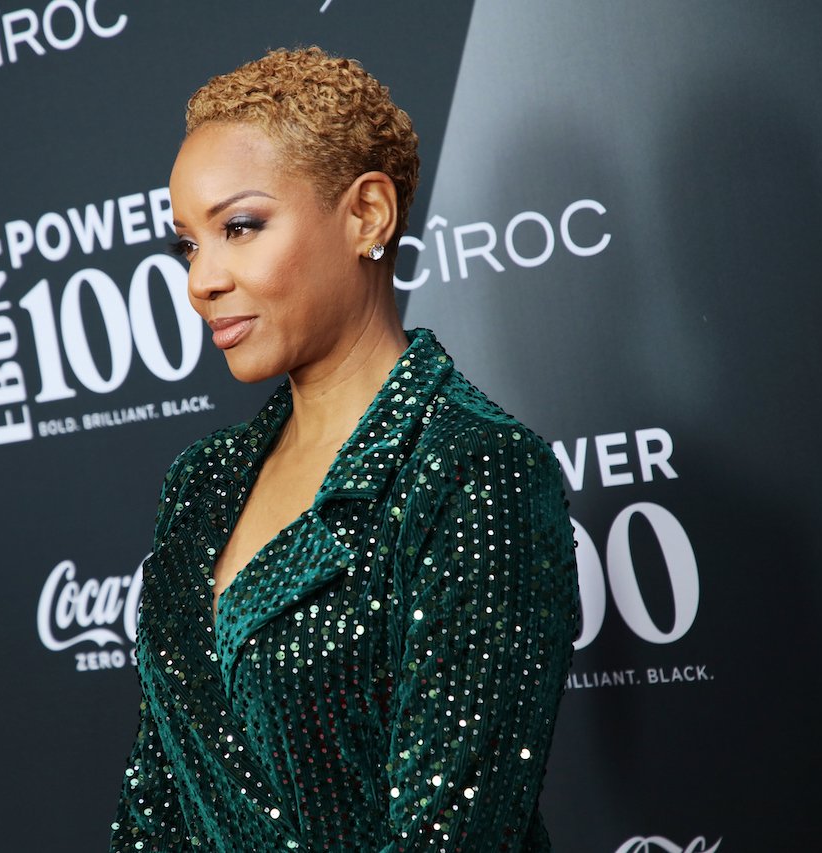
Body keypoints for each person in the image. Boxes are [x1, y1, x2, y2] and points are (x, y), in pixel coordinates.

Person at [109, 46, 580, 852]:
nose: (201, 280)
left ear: (367, 215)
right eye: (188, 243)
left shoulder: (474, 470)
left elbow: (454, 835)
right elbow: (156, 806)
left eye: (240, 227)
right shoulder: (199, 485)